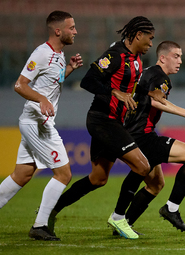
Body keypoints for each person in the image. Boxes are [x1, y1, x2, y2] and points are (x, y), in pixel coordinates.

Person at [48, 16, 164, 240]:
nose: (151, 44)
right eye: (149, 39)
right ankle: (119, 218)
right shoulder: (116, 55)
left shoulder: (137, 60)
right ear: (138, 35)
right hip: (102, 119)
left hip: (117, 122)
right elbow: (88, 81)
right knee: (142, 167)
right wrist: (114, 92)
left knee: (98, 178)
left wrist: (149, 93)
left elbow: (131, 88)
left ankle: (50, 210)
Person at [0, 11, 83, 241]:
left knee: (22, 174)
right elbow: (20, 85)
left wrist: (69, 70)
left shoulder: (59, 54)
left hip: (36, 121)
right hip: (38, 122)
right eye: (72, 27)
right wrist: (42, 100)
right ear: (58, 31)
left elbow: (52, 82)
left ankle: (40, 225)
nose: (75, 31)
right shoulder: (42, 53)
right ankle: (40, 225)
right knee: (64, 173)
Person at [113, 41, 185, 234]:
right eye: (176, 56)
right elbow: (156, 101)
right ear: (163, 58)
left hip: (133, 133)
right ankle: (171, 209)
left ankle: (123, 224)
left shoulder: (148, 72)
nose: (180, 61)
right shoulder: (160, 76)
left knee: (155, 185)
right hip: (142, 136)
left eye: (181, 56)